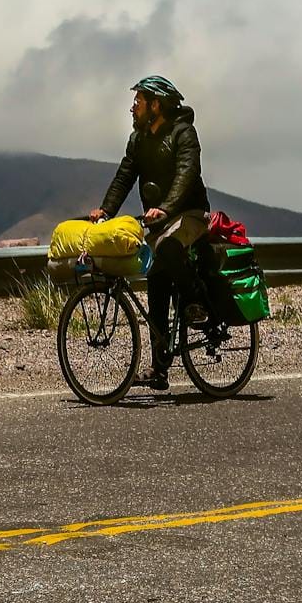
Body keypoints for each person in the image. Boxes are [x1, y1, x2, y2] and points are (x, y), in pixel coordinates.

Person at [88, 75, 213, 391]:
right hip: (159, 221)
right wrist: (105, 210)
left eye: (138, 102)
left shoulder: (184, 134)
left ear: (156, 105)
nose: (133, 108)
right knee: (156, 287)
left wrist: (168, 208)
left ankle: (198, 301)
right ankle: (159, 370)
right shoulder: (139, 140)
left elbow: (187, 174)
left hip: (190, 215)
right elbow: (124, 177)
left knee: (171, 247)